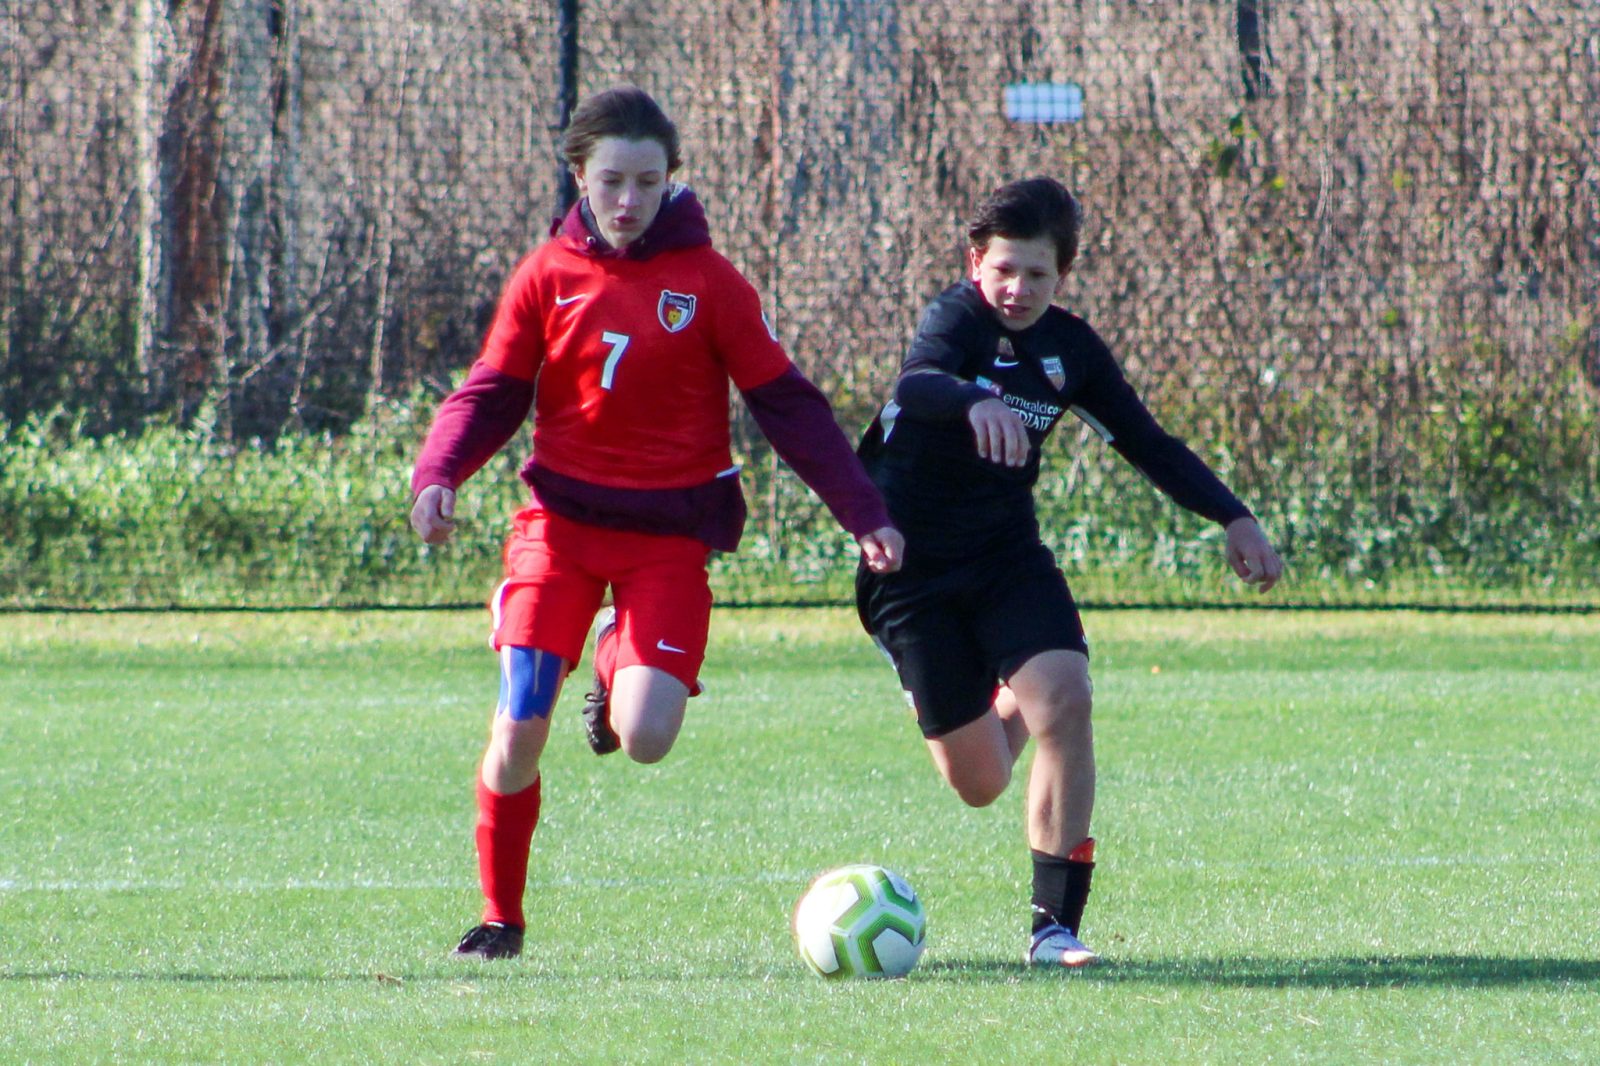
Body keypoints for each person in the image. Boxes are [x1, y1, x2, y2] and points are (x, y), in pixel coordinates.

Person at [409, 86, 904, 961]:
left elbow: (787, 407)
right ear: (580, 178)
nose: (629, 200)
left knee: (644, 737)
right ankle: (500, 919)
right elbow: (491, 392)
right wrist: (439, 471)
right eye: (611, 182)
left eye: (646, 180)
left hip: (668, 540)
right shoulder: (545, 277)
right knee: (519, 727)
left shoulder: (711, 284)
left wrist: (863, 510)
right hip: (557, 530)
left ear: (672, 177)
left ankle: (611, 645)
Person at [854, 177, 1282, 968]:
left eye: (1038, 275)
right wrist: (971, 402)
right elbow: (918, 380)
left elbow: (1147, 443)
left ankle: (1052, 929)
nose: (1017, 289)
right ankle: (1011, 686)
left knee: (1069, 698)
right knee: (979, 782)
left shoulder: (1070, 351)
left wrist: (1234, 515)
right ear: (975, 260)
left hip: (1006, 556)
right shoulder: (954, 319)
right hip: (907, 567)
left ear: (1063, 276)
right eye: (1004, 270)